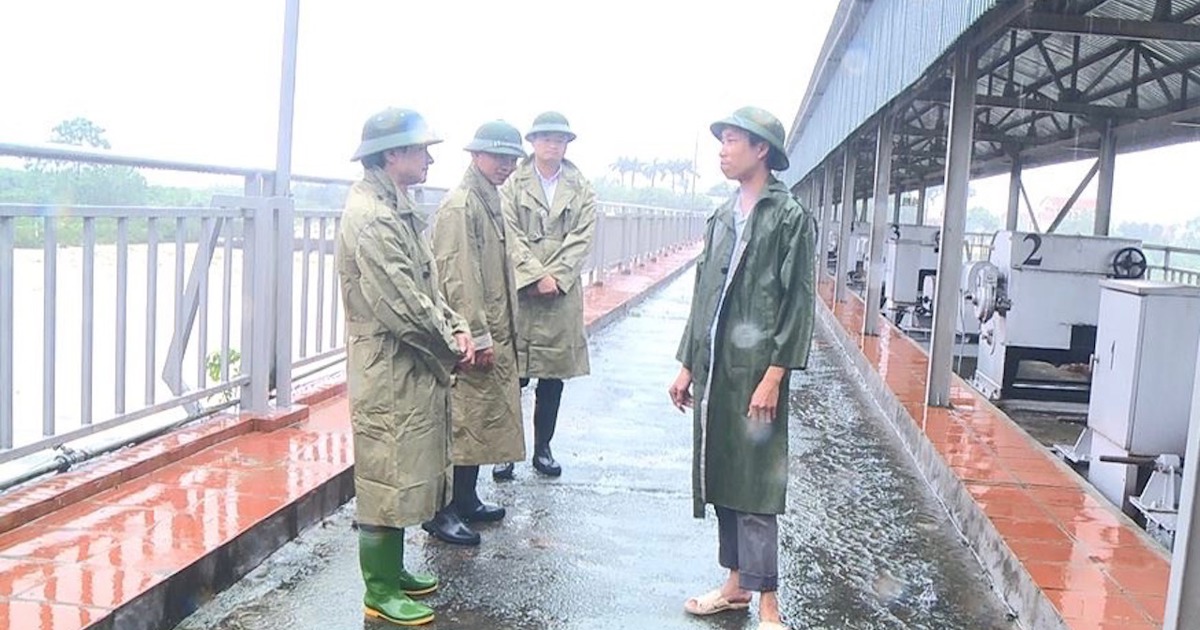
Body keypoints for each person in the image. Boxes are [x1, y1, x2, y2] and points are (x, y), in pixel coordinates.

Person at [668, 106, 816, 630]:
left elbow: (798, 302)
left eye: (732, 141)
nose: (723, 149)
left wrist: (776, 374)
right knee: (722, 469)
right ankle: (734, 585)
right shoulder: (721, 216)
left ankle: (768, 602)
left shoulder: (788, 216)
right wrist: (688, 362)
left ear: (761, 151)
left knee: (756, 480)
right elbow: (703, 293)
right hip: (716, 368)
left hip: (757, 368)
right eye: (722, 141)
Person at [336, 107, 475, 627]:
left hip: (407, 363)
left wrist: (455, 322)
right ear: (392, 155)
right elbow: (402, 304)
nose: (429, 158)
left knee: (405, 466)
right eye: (420, 150)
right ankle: (378, 590)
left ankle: (392, 573)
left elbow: (427, 288)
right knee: (385, 474)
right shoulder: (370, 217)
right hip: (388, 367)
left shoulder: (394, 206)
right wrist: (450, 344)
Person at [424, 121, 527, 545]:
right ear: (475, 155)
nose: (506, 165)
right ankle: (442, 510)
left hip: (494, 327)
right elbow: (459, 278)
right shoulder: (462, 205)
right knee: (461, 423)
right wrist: (477, 336)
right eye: (498, 156)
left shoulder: (490, 199)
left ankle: (466, 498)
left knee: (481, 420)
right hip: (473, 333)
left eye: (511, 158)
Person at [494, 111, 596, 479]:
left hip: (560, 294)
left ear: (567, 144)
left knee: (552, 377)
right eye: (546, 138)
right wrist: (535, 275)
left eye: (560, 138)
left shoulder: (580, 186)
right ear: (533, 142)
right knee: (513, 375)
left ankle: (543, 448)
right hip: (522, 291)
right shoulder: (514, 184)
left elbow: (582, 236)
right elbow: (508, 231)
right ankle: (505, 451)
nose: (553, 144)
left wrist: (557, 276)